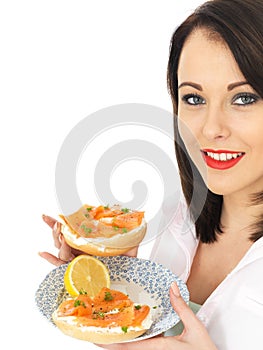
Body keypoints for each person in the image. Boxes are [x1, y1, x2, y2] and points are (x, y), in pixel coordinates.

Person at [40, 0, 263, 349]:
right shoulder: (180, 215)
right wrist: (115, 281)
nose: (211, 129)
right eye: (193, 99)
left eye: (244, 99)